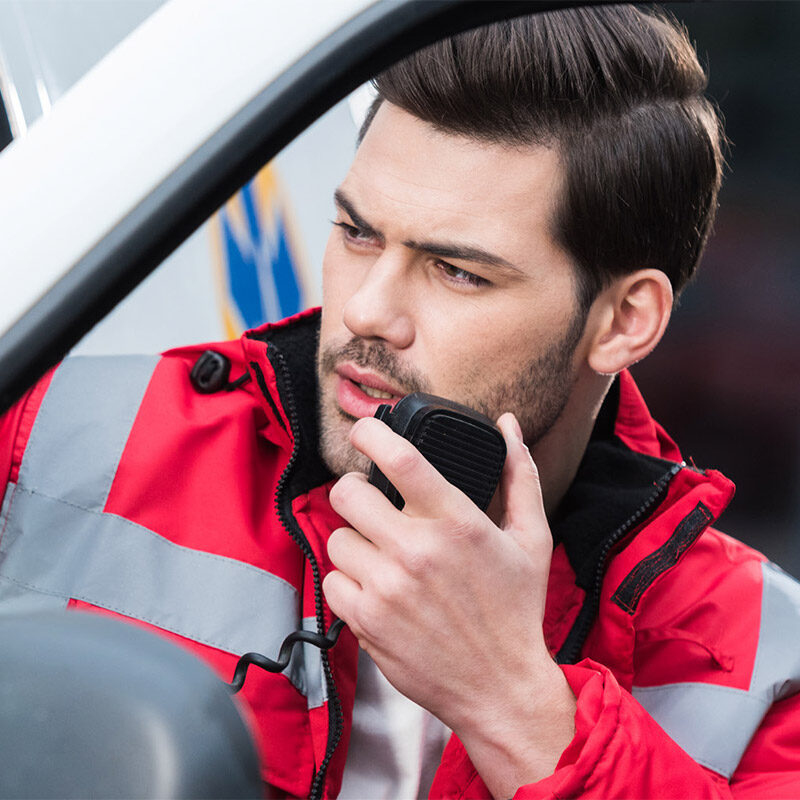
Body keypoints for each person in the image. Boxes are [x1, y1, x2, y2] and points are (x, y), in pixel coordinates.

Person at [1, 5, 799, 798]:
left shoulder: (769, 667)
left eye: (458, 271)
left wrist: (515, 706)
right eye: (357, 233)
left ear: (624, 321)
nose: (366, 313)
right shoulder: (60, 434)